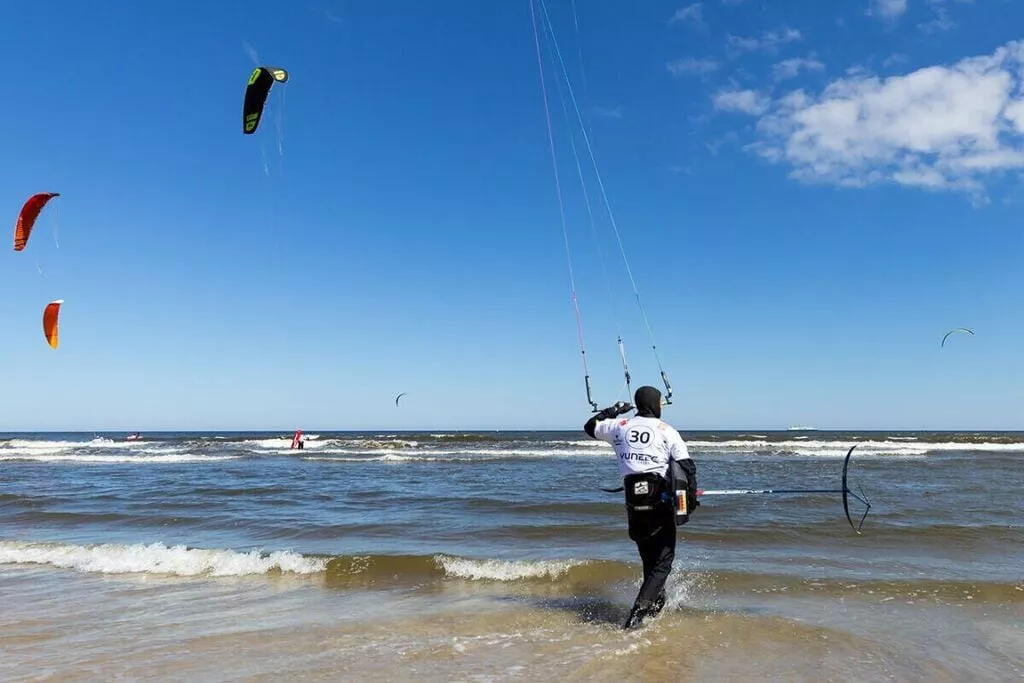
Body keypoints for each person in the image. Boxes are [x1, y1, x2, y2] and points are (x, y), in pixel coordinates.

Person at [584, 385, 699, 630]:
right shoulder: (667, 431)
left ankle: (656, 606)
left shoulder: (619, 427)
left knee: (650, 560)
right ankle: (636, 615)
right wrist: (690, 500)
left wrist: (613, 410)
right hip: (660, 506)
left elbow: (590, 426)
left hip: (634, 508)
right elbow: (687, 467)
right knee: (663, 562)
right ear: (656, 405)